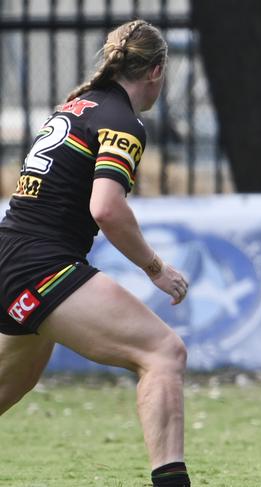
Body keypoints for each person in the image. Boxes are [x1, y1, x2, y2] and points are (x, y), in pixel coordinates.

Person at [0, 20, 191, 487]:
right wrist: (155, 268)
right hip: (43, 263)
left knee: (13, 382)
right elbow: (106, 208)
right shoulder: (124, 121)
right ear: (156, 71)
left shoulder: (76, 106)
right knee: (164, 352)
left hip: (13, 253)